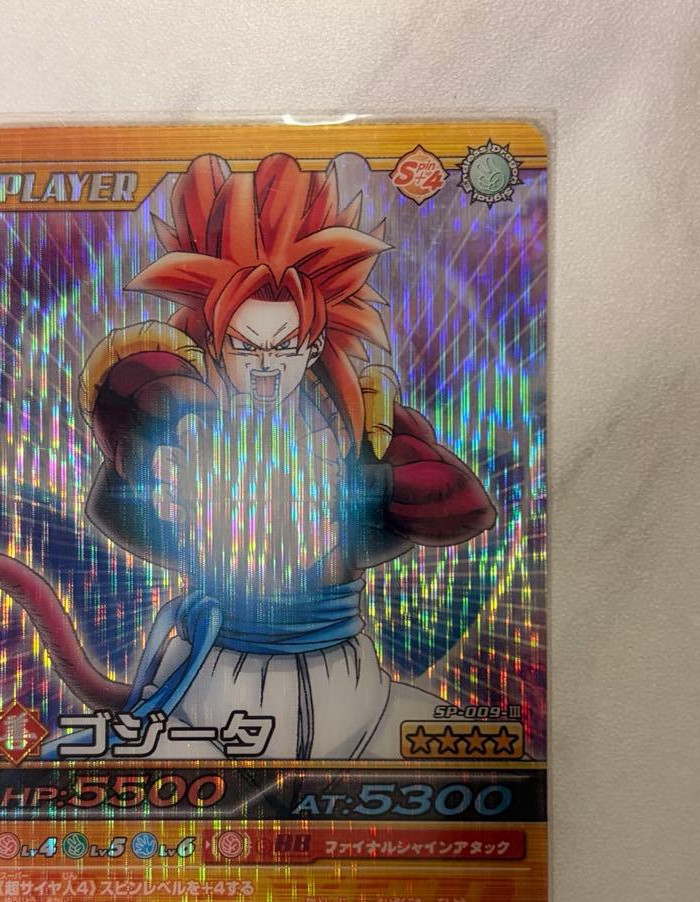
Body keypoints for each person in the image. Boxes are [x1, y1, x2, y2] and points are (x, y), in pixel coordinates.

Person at [73, 152, 496, 759]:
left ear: (314, 344)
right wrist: (161, 440)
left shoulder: (359, 422)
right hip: (216, 674)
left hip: (344, 675)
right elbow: (117, 479)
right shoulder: (185, 412)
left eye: (285, 346)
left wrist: (362, 491)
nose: (267, 366)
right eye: (247, 347)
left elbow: (465, 507)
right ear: (215, 344)